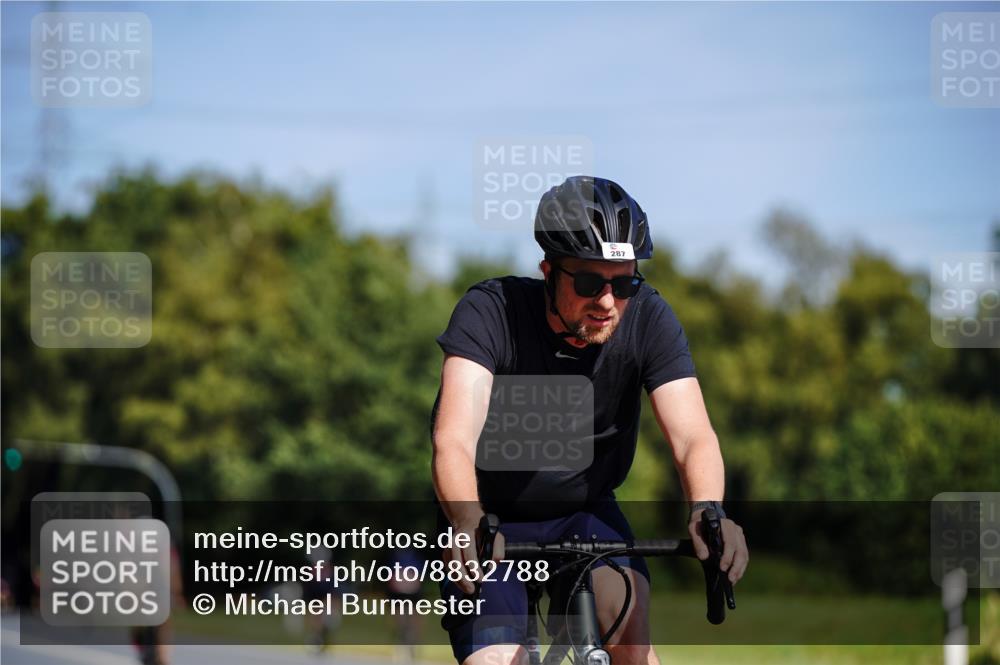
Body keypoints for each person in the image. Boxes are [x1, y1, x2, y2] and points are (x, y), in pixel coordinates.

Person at [431, 175, 750, 665]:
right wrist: (465, 517)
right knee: (496, 660)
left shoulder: (649, 319)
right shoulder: (490, 312)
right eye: (587, 282)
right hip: (488, 516)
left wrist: (710, 511)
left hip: (586, 511)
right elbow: (453, 439)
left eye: (623, 283)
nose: (606, 301)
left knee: (633, 643)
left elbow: (692, 437)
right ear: (548, 271)